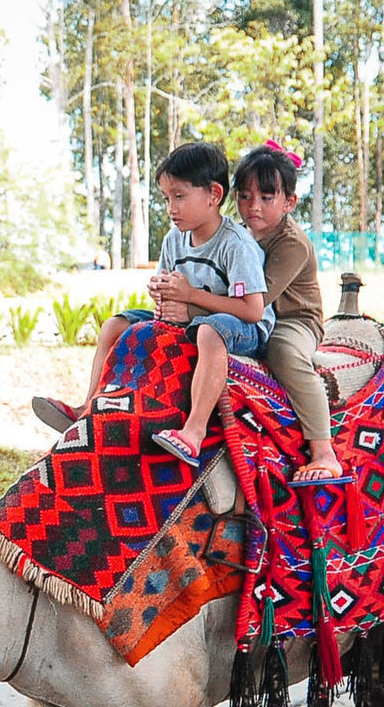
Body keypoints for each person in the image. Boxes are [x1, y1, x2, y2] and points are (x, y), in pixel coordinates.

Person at [32, 142, 273, 467]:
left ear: (214, 195)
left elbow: (252, 310)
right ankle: (86, 408)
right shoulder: (174, 239)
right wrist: (163, 297)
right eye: (166, 198)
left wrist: (189, 299)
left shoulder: (235, 243)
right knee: (115, 325)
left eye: (179, 196)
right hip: (194, 317)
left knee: (209, 333)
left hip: (243, 328)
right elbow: (172, 290)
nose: (171, 208)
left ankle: (194, 432)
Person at [230, 141, 342, 482]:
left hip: (294, 319)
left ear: (289, 202)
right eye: (245, 196)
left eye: (266, 197)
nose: (254, 207)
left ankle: (324, 450)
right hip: (254, 316)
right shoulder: (236, 236)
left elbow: (258, 297)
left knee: (283, 350)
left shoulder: (291, 242)